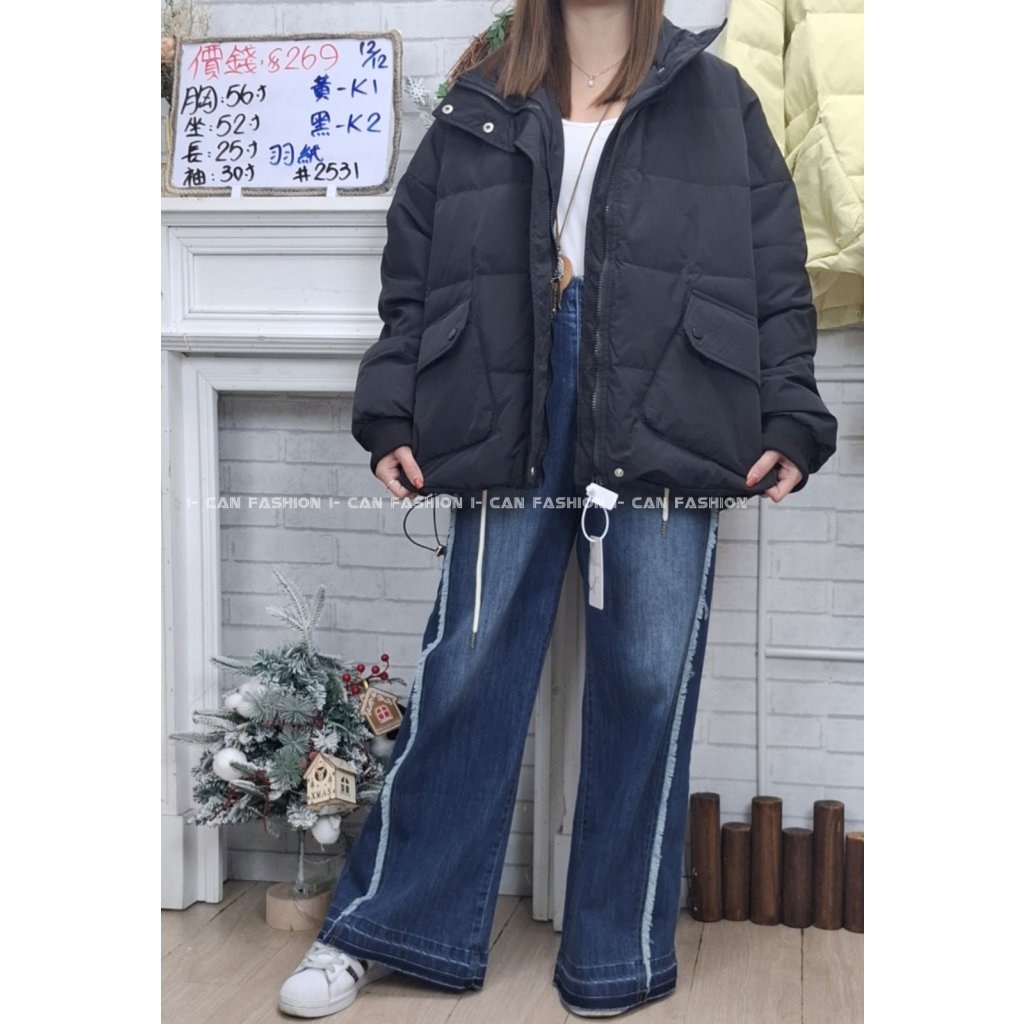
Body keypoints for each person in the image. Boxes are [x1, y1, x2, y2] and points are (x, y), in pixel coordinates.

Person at [278, 0, 837, 1018]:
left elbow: (774, 272)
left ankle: (615, 954)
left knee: (647, 677)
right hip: (509, 389)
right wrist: (393, 403)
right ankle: (386, 924)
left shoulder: (716, 100)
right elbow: (414, 272)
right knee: (469, 661)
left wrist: (792, 413)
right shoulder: (481, 97)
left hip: (671, 395)